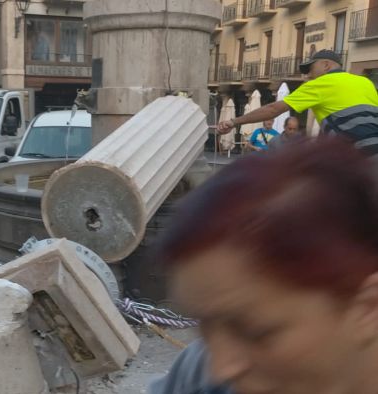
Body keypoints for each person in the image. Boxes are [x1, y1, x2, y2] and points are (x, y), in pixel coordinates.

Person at [149, 138, 378, 394]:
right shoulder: (196, 377)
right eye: (204, 326)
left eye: (257, 333)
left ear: (368, 308)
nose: (220, 369)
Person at [217, 50, 378, 155]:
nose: (308, 75)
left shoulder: (320, 84)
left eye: (310, 69)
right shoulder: (365, 82)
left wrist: (234, 121)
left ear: (326, 65)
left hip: (358, 156)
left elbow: (274, 109)